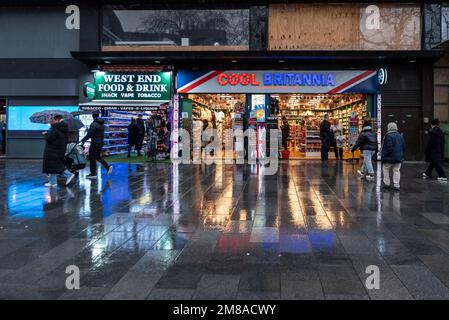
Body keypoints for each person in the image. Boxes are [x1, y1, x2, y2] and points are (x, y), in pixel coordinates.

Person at [42, 115, 75, 187]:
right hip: (59, 149)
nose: (52, 121)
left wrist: (45, 134)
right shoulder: (63, 129)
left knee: (54, 165)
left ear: (57, 120)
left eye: (53, 120)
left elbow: (49, 139)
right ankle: (53, 182)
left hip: (53, 149)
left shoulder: (55, 129)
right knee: (54, 165)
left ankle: (68, 175)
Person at [81, 112, 112, 179]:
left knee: (92, 157)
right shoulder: (102, 124)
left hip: (95, 143)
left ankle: (93, 173)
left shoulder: (94, 124)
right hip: (100, 142)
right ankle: (107, 167)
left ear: (92, 116)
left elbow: (90, 134)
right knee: (97, 156)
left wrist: (83, 140)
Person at [381, 122, 406, 191]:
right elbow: (404, 146)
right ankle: (396, 185)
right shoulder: (400, 136)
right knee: (396, 171)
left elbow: (388, 147)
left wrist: (384, 155)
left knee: (385, 169)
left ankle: (387, 184)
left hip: (389, 157)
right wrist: (401, 154)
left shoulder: (388, 136)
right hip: (398, 157)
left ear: (389, 128)